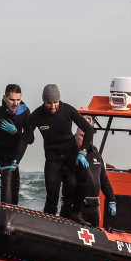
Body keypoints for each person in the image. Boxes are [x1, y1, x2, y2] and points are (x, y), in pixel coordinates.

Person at [27, 84, 94, 222]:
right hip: (53, 159)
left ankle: (76, 213)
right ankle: (48, 221)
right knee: (52, 194)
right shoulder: (37, 115)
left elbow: (88, 130)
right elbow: (24, 140)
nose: (52, 106)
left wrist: (82, 152)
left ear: (59, 100)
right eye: (49, 103)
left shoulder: (68, 110)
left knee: (84, 178)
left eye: (55, 102)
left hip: (71, 154)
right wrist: (15, 162)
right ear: (44, 101)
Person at [70, 128, 117, 227]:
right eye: (82, 136)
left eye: (88, 136)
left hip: (94, 207)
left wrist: (112, 199)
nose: (86, 139)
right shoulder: (70, 154)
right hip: (76, 207)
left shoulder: (96, 155)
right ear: (75, 136)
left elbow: (104, 180)